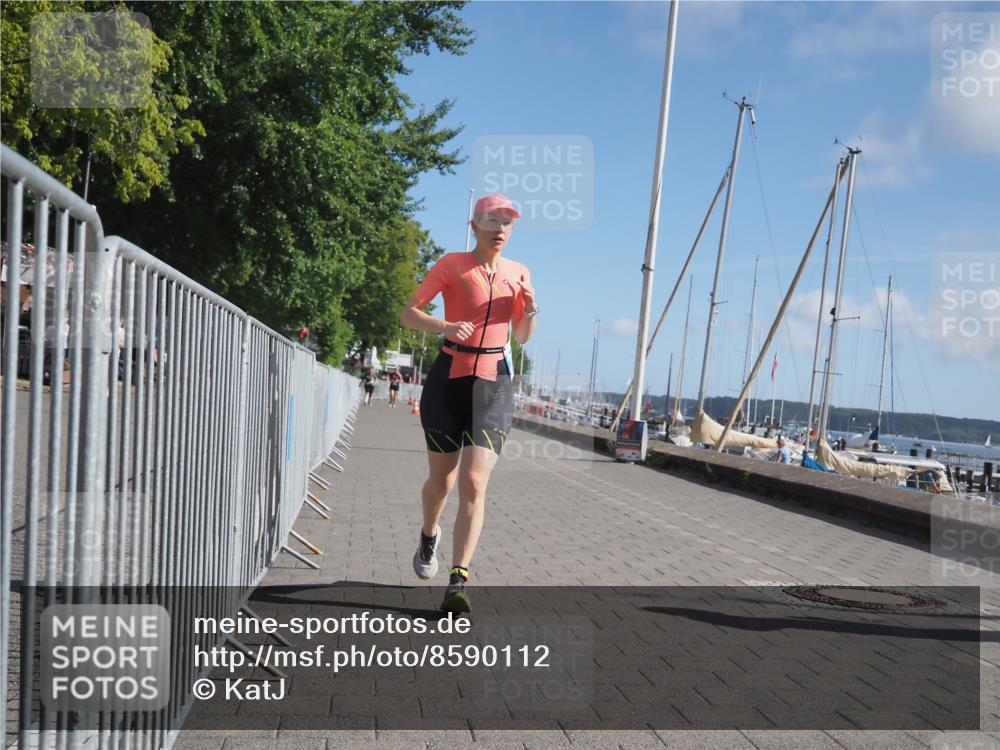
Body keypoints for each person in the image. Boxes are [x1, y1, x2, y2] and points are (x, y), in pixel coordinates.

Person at [400, 193, 538, 614]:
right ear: (474, 225)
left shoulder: (519, 273)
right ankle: (428, 535)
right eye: (492, 221)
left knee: (475, 481)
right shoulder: (451, 265)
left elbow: (523, 336)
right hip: (448, 378)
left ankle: (458, 581)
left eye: (507, 223)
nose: (500, 230)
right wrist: (445, 325)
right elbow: (409, 313)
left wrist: (531, 310)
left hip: (494, 381)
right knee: (441, 482)